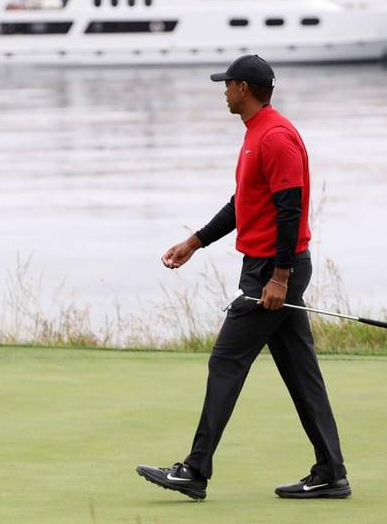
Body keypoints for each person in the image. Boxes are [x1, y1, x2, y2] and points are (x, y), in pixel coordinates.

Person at [135, 54, 350, 501]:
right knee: (300, 372)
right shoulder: (257, 134)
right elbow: (244, 204)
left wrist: (279, 276)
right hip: (269, 266)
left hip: (273, 268)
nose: (223, 91)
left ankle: (194, 470)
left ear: (244, 89)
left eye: (227, 84)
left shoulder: (274, 137)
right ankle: (331, 471)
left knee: (226, 360)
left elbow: (291, 209)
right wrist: (194, 242)